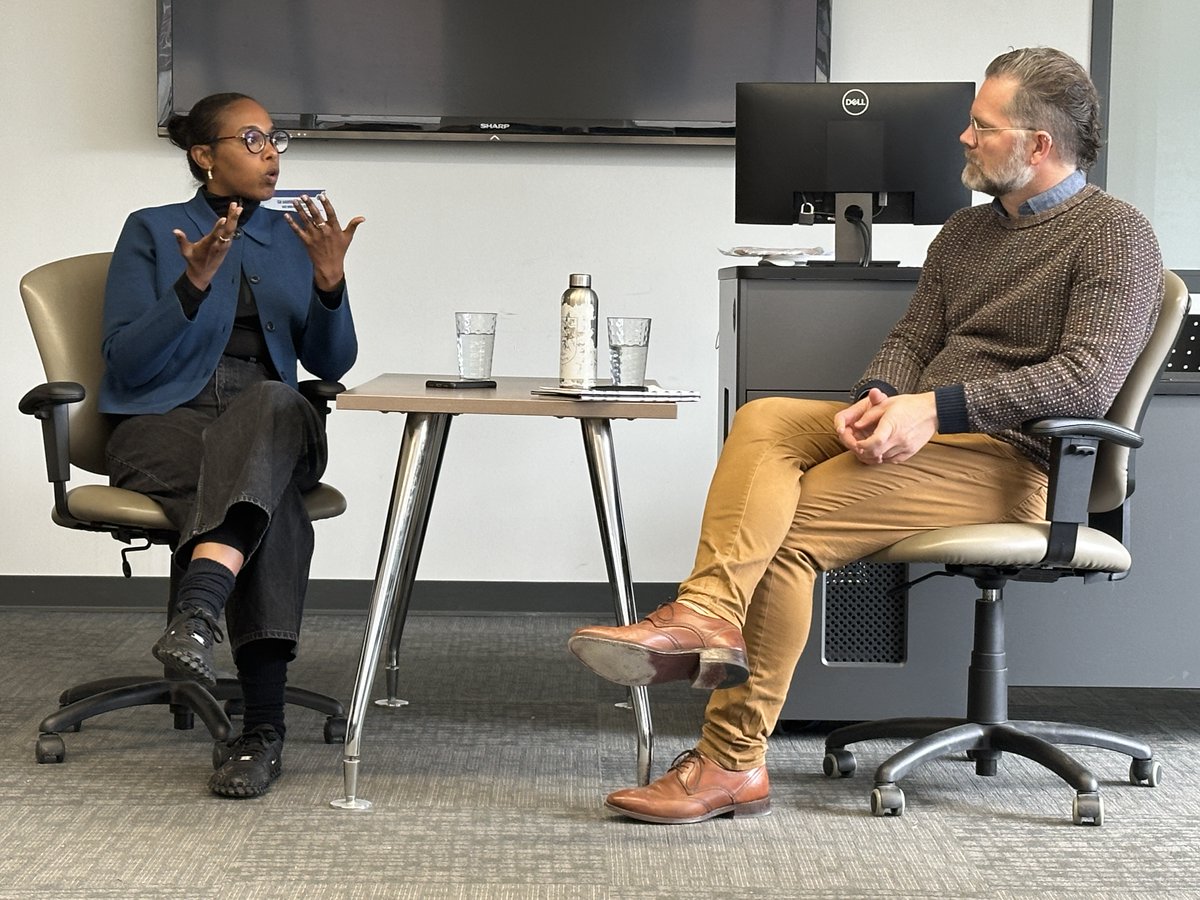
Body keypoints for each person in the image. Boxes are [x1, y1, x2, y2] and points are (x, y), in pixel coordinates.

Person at [568, 47, 1164, 824]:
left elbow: (1083, 381)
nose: (962, 138)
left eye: (982, 126)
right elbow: (913, 336)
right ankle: (704, 615)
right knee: (767, 419)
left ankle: (730, 763)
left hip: (1018, 462)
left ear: (1038, 144)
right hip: (930, 435)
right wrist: (881, 393)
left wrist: (935, 411)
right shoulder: (966, 233)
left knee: (789, 533)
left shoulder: (1117, 235)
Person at [99, 92, 364, 798]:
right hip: (166, 419)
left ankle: (200, 607)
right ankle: (262, 733)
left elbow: (331, 365)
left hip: (275, 416)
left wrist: (332, 285)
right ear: (204, 155)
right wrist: (190, 287)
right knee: (268, 500)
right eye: (251, 139)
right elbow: (125, 362)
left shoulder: (293, 239)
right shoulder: (153, 231)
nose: (271, 151)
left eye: (275, 137)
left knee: (273, 404)